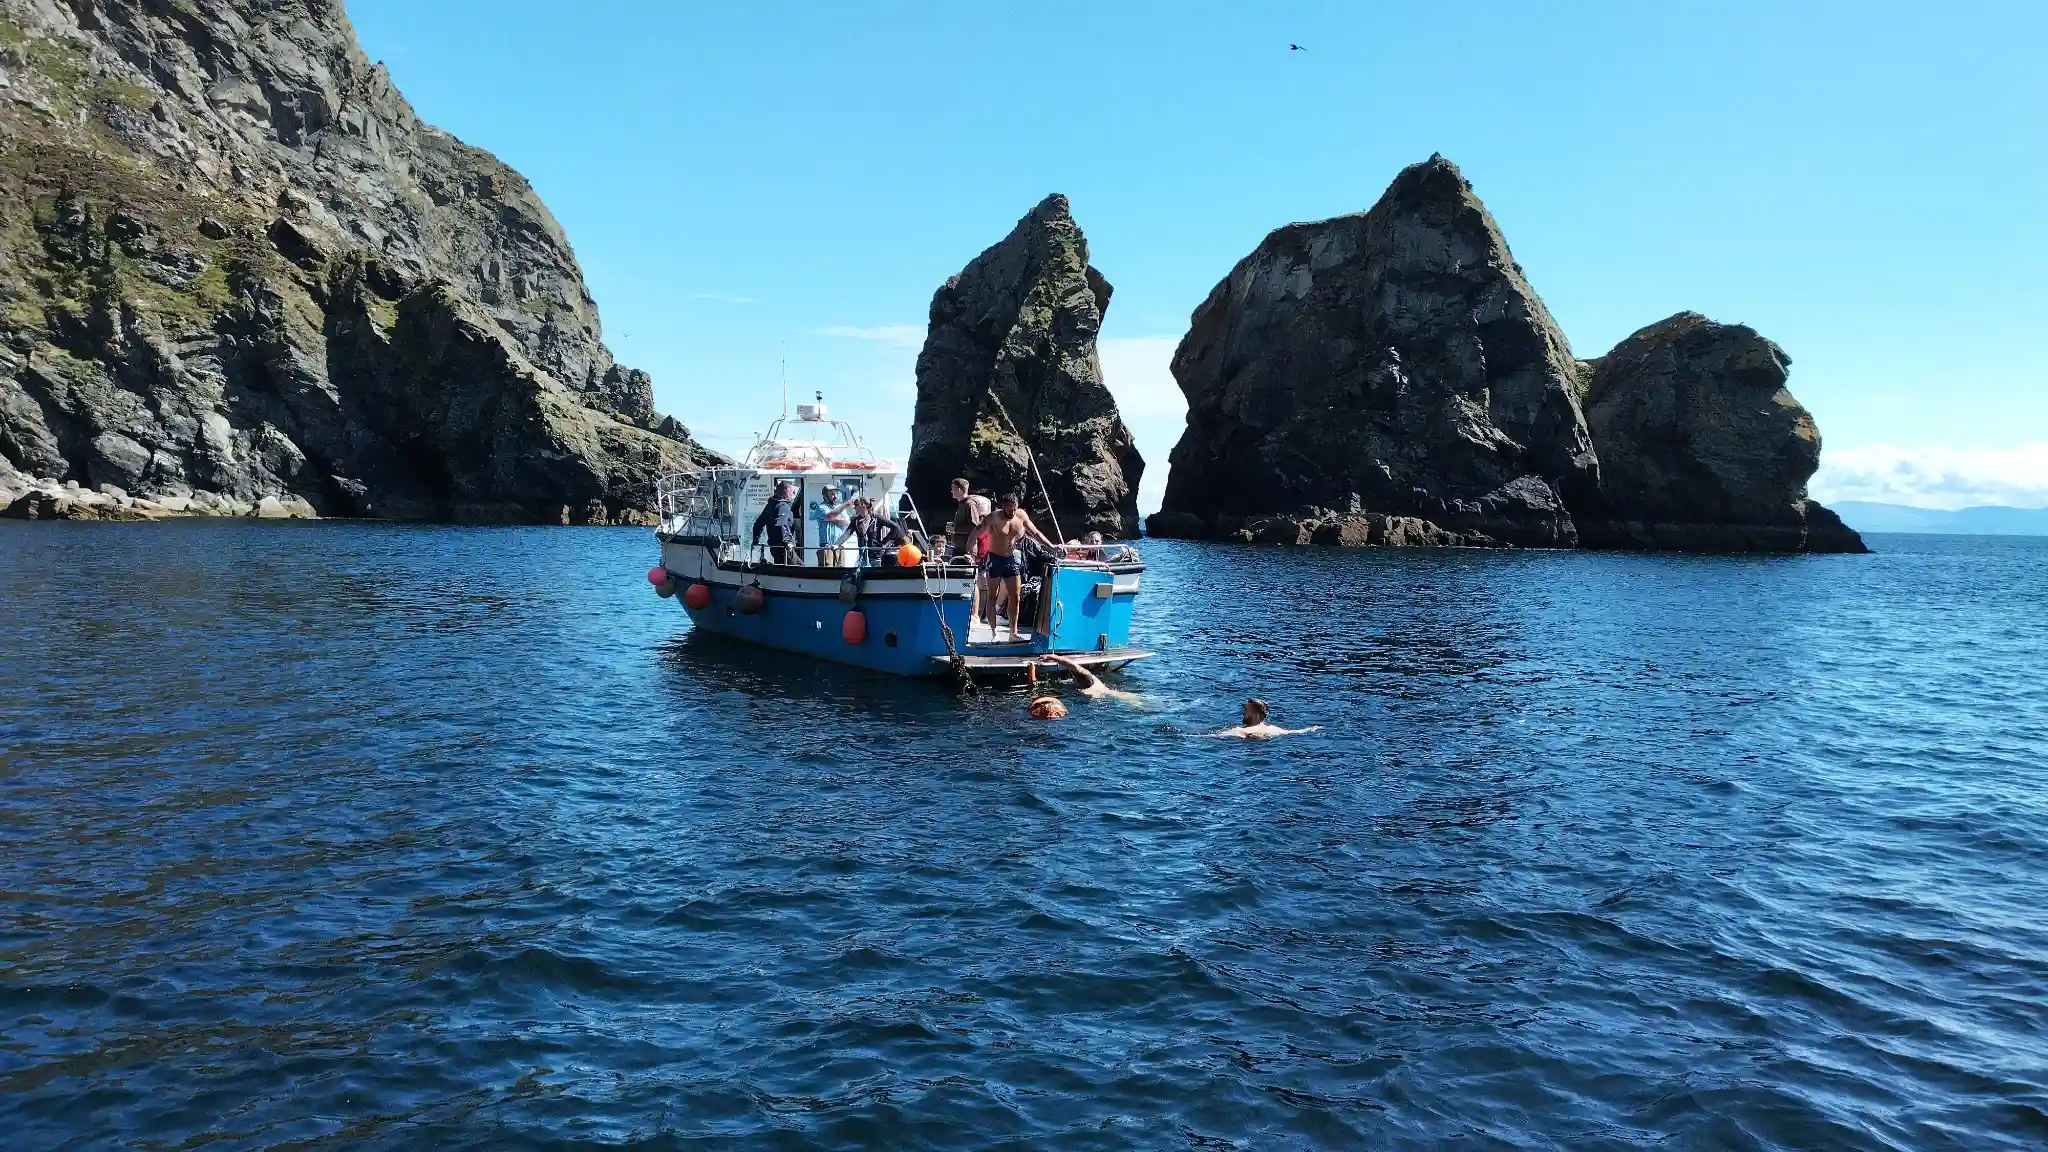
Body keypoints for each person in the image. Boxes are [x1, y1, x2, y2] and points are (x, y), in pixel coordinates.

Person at [983, 492, 1056, 642]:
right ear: (1003, 507)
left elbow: (1035, 533)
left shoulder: (1021, 515)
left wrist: (1051, 546)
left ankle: (1013, 633)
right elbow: (977, 533)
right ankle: (993, 633)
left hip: (1011, 559)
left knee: (1015, 597)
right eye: (1009, 510)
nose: (1012, 512)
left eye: (1014, 509)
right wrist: (971, 551)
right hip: (994, 559)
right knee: (992, 597)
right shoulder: (994, 517)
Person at [1039, 653, 1140, 702]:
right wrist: (1052, 657)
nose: (1073, 681)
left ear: (1082, 684)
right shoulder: (1094, 679)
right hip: (1120, 694)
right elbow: (1073, 666)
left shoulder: (1087, 692)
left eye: (1075, 680)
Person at [837, 497, 908, 565]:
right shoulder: (855, 521)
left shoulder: (876, 518)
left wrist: (884, 542)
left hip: (876, 556)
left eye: (856, 506)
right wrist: (837, 544)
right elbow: (847, 533)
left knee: (876, 575)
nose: (854, 508)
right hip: (863, 556)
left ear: (862, 505)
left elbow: (896, 527)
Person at [1212, 698, 1320, 739]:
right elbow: (1297, 732)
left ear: (1256, 714)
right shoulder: (1274, 729)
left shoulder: (1240, 731)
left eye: (1246, 710)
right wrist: (1312, 728)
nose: (1243, 713)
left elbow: (1215, 736)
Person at [751, 479, 799, 564]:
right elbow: (781, 525)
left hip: (773, 547)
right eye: (793, 492)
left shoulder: (770, 506)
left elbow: (758, 524)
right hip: (783, 547)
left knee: (781, 567)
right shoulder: (783, 506)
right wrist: (787, 542)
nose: (793, 495)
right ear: (786, 491)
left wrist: (755, 540)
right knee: (800, 569)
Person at [946, 478, 989, 564]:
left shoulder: (969, 504)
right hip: (959, 548)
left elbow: (975, 527)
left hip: (966, 551)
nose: (951, 491)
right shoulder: (962, 504)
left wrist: (955, 530)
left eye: (953, 488)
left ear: (958, 489)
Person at [810, 485, 852, 566]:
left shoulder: (839, 508)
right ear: (825, 496)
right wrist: (837, 517)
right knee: (827, 572)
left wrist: (834, 518)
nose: (835, 496)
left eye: (836, 493)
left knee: (841, 571)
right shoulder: (821, 507)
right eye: (832, 494)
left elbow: (847, 522)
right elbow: (829, 516)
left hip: (839, 546)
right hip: (826, 547)